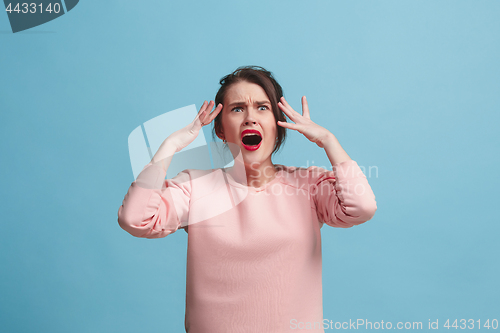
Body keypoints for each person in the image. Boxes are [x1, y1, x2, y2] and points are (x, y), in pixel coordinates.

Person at [117, 66, 377, 332]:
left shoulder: (308, 184)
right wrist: (170, 145)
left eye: (262, 108)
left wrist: (328, 141)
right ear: (219, 128)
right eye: (237, 109)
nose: (250, 118)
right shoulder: (195, 187)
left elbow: (361, 208)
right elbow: (135, 219)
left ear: (278, 124)